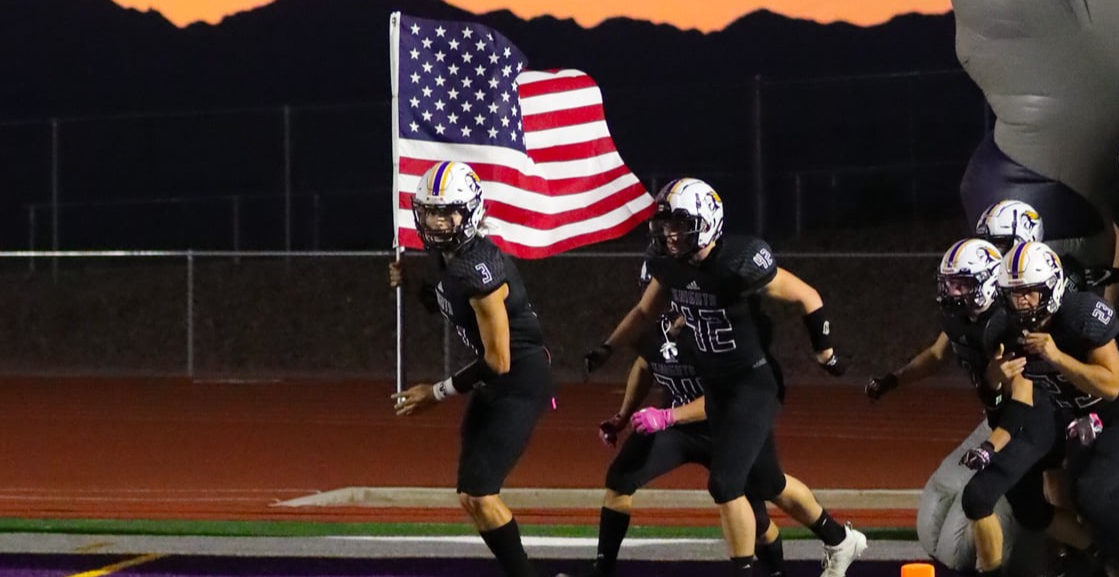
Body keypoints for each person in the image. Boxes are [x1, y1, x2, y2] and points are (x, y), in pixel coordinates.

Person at [584, 177, 869, 577]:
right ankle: (841, 539)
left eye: (680, 224)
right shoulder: (669, 268)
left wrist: (826, 353)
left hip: (751, 385)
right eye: (666, 224)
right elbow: (644, 315)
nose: (670, 233)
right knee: (768, 482)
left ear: (707, 221)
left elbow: (808, 296)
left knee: (728, 484)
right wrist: (606, 349)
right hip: (716, 391)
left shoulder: (738, 262)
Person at [387, 161, 554, 577]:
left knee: (480, 495)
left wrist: (436, 392)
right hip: (495, 382)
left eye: (447, 212)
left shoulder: (479, 269)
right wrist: (414, 286)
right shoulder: (449, 257)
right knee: (469, 495)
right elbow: (451, 307)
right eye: (430, 211)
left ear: (472, 211)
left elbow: (499, 360)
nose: (437, 222)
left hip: (518, 381)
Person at [866, 238, 1071, 577]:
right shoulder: (964, 319)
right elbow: (936, 355)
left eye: (962, 284)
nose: (953, 292)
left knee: (981, 499)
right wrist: (894, 379)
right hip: (1005, 417)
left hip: (1030, 421)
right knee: (1032, 511)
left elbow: (1021, 400)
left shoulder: (1008, 324)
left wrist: (991, 447)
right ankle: (1095, 549)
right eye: (949, 284)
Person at [989, 240, 1119, 577]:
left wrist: (1056, 357)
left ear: (1052, 287)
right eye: (1013, 292)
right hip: (1077, 420)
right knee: (1081, 500)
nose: (1020, 301)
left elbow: (1111, 386)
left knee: (1093, 492)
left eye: (1030, 292)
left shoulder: (1081, 312)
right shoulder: (1006, 330)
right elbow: (1008, 393)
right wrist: (995, 378)